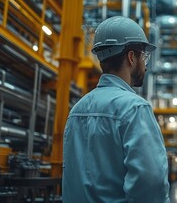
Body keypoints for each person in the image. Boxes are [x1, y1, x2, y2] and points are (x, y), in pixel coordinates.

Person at [62, 16, 170, 202]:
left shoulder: (76, 111)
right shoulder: (134, 108)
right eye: (143, 56)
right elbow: (151, 182)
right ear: (131, 57)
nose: (145, 64)